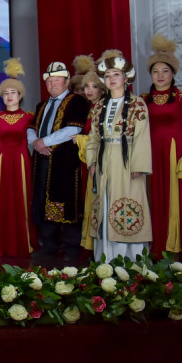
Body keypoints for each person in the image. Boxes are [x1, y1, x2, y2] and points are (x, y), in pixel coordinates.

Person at [86, 50, 152, 262]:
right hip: (104, 159)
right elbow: (93, 137)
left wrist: (138, 165)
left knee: (127, 204)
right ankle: (106, 260)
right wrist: (92, 161)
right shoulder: (99, 107)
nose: (111, 79)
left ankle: (131, 260)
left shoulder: (137, 104)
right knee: (104, 204)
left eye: (116, 74)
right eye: (107, 76)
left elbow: (142, 136)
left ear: (126, 78)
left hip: (127, 160)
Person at [143, 35, 182, 261]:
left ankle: (181, 249)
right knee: (154, 199)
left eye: (165, 71)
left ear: (173, 73)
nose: (160, 75)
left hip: (176, 154)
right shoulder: (143, 100)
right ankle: (157, 249)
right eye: (156, 71)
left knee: (178, 200)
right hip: (151, 154)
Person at [28, 61, 89, 260]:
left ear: (67, 81)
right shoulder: (42, 105)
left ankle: (71, 248)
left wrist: (43, 141)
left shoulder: (77, 102)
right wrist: (36, 143)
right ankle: (48, 245)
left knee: (66, 202)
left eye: (57, 80)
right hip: (42, 161)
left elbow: (73, 129)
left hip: (65, 163)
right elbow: (30, 128)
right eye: (49, 81)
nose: (52, 84)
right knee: (43, 201)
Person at [0, 59, 37, 258]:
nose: (9, 96)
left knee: (23, 200)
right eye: (5, 93)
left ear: (20, 95)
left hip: (22, 162)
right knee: (2, 202)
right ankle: (2, 244)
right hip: (1, 162)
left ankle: (24, 243)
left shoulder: (30, 117)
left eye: (13, 92)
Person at [74, 56, 106, 252]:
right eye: (86, 86)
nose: (89, 90)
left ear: (102, 89)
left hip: (101, 161)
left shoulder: (103, 108)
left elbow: (101, 138)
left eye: (94, 86)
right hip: (89, 160)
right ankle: (92, 247)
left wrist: (79, 139)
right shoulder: (91, 108)